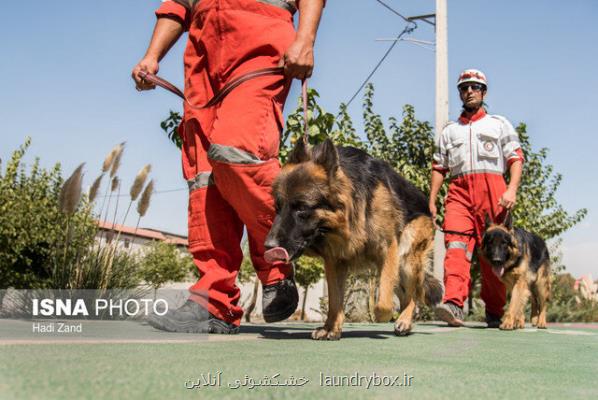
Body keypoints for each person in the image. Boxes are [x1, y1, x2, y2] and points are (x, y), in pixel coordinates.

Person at [132, 0, 325, 334]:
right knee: (204, 178)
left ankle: (278, 263)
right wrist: (152, 55)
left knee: (238, 151)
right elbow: (178, 6)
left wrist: (305, 39)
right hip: (202, 58)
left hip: (259, 46)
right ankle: (213, 302)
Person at [429, 69, 525, 328]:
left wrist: (512, 189)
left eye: (474, 87)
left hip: (493, 192)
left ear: (483, 92)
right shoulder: (450, 131)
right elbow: (439, 167)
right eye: (464, 87)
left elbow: (515, 158)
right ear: (459, 93)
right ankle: (454, 304)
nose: (469, 91)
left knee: (494, 253)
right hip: (459, 193)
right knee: (456, 247)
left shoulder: (498, 123)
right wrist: (432, 199)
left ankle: (494, 309)